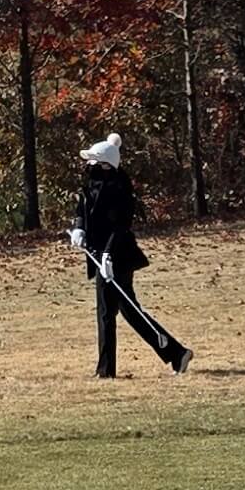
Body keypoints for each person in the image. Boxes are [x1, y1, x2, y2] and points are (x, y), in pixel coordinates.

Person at [73, 133, 190, 378]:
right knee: (126, 311)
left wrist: (107, 255)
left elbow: (119, 227)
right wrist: (79, 228)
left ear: (107, 166)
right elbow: (82, 208)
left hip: (118, 256)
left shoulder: (120, 190)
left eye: (94, 162)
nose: (89, 166)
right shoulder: (92, 185)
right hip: (100, 255)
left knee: (110, 312)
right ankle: (176, 353)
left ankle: (107, 371)